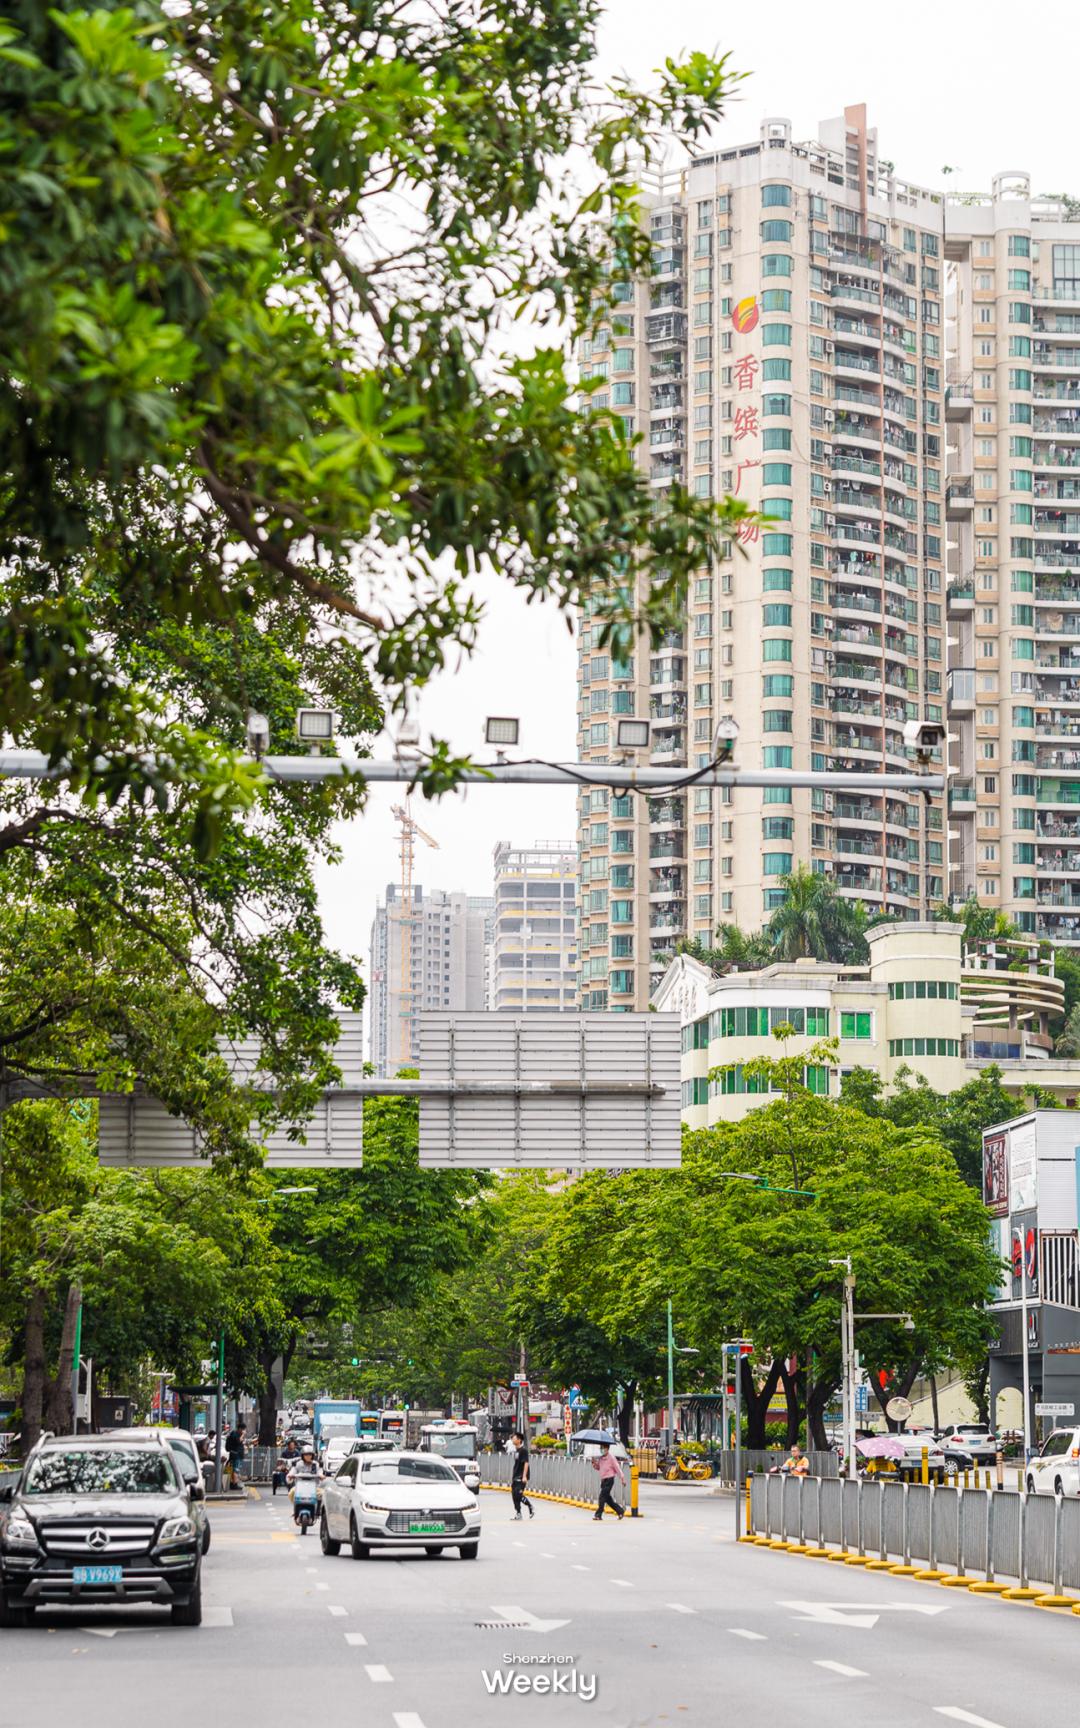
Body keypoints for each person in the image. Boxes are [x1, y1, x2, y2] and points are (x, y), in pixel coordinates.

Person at [286, 1443, 323, 1524]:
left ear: (312, 1455)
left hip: (314, 1488)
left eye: (310, 1455)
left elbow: (320, 1472)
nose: (308, 1456)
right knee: (291, 1493)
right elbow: (293, 1471)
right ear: (302, 1456)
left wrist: (321, 1475)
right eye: (306, 1455)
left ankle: (317, 1511)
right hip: (300, 1488)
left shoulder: (315, 1464)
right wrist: (290, 1476)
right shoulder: (298, 1464)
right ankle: (296, 1508)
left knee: (322, 1494)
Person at [590, 1442, 625, 1521]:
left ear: (607, 1449)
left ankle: (598, 1514)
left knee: (602, 1497)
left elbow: (617, 1468)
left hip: (609, 1479)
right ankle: (620, 1511)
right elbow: (599, 1467)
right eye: (601, 1448)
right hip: (603, 1481)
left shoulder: (611, 1458)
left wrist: (622, 1478)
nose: (602, 1449)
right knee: (608, 1500)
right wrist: (594, 1463)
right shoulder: (601, 1458)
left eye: (603, 1448)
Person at [509, 1431, 534, 1521]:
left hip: (521, 1477)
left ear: (519, 1440)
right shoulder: (516, 1451)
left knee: (518, 1495)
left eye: (514, 1437)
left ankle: (530, 1506)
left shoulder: (523, 1451)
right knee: (514, 1495)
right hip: (515, 1476)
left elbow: (526, 1463)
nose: (512, 1439)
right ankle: (518, 1513)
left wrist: (524, 1476)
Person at [224, 1422, 246, 1491]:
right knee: (235, 1469)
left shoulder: (235, 1434)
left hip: (235, 1454)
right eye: (243, 1429)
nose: (244, 1431)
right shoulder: (235, 1434)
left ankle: (231, 1482)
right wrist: (243, 1435)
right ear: (240, 1429)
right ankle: (234, 1484)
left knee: (233, 1468)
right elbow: (238, 1441)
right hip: (235, 1454)